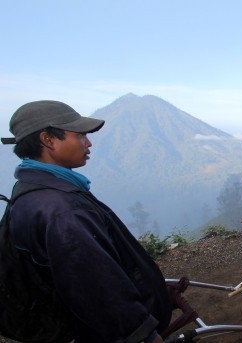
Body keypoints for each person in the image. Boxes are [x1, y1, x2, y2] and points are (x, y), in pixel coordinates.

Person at [1, 100, 171, 342]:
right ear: (48, 139)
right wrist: (142, 335)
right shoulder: (61, 211)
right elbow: (96, 287)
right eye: (80, 135)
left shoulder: (32, 189)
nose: (88, 143)